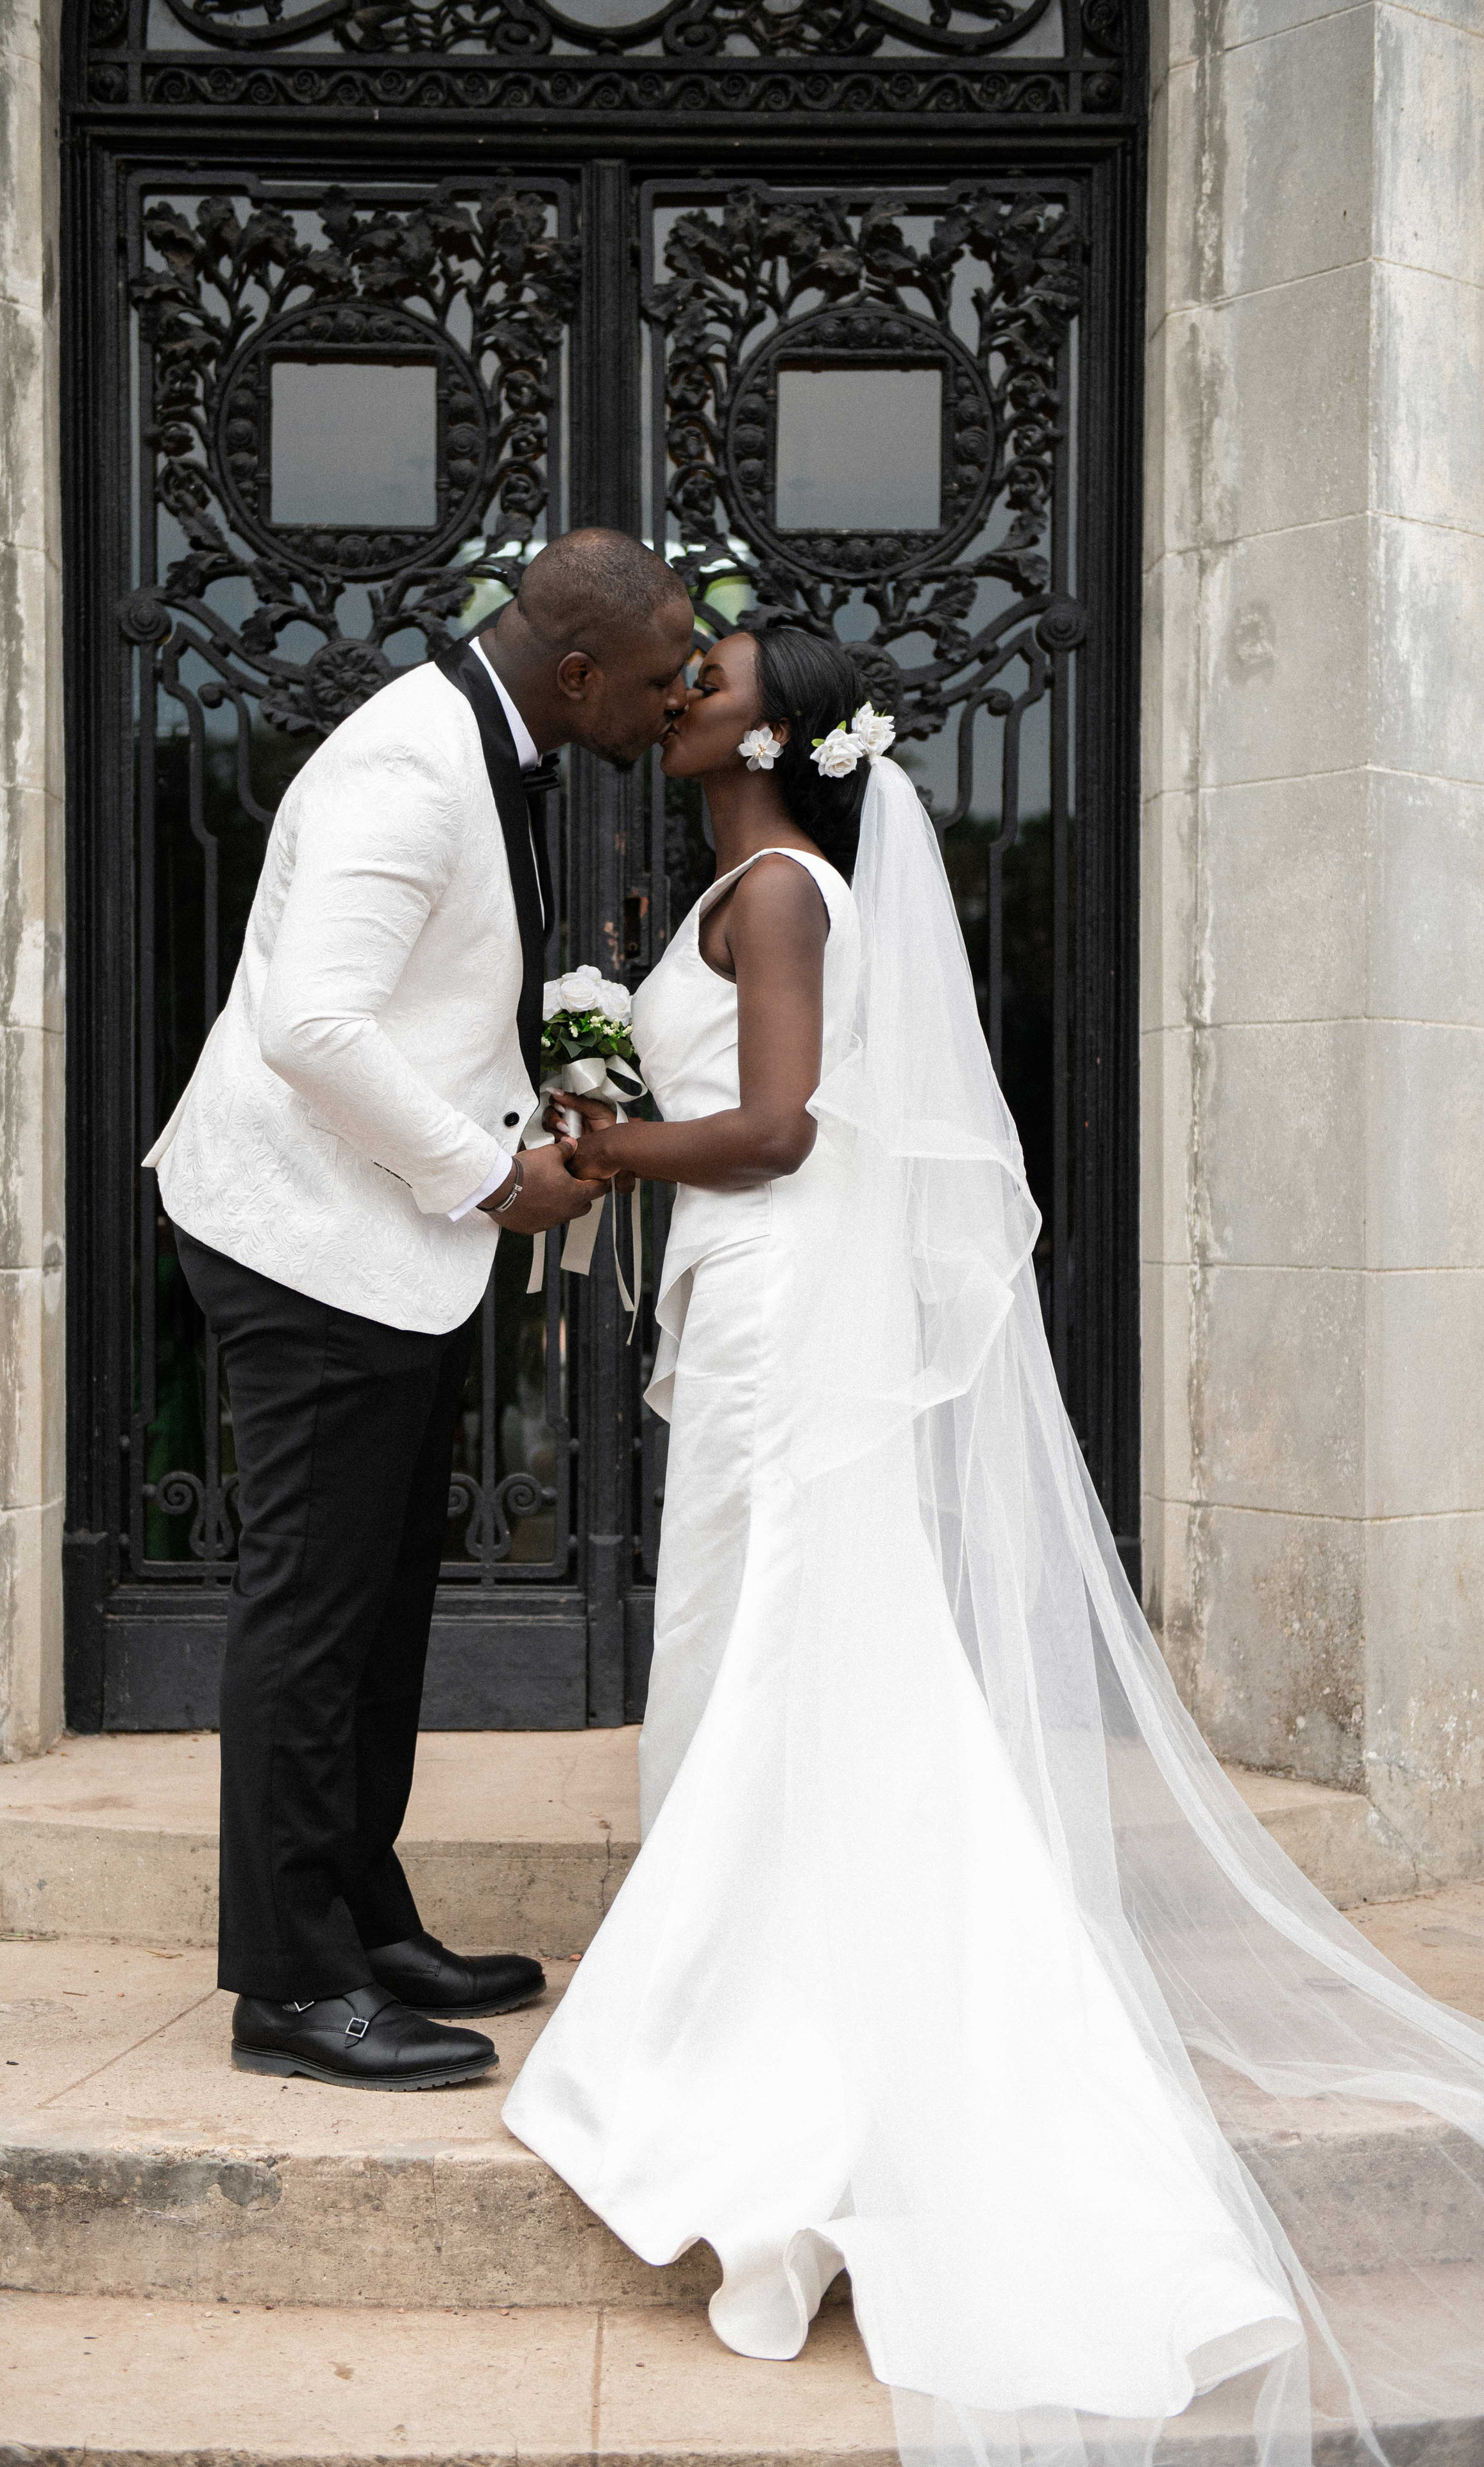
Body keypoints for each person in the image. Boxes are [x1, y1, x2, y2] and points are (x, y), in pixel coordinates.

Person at [504, 625, 1484, 2464]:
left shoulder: (778, 894)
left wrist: (611, 1156)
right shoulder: (762, 884)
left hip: (787, 1320)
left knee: (769, 1645)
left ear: (774, 728)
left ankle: (747, 2045)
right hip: (764, 1317)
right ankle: (766, 1979)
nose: (679, 693)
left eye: (708, 674)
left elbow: (787, 1131)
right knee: (775, 1655)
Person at [144, 528, 695, 2091]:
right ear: (575, 672)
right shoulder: (408, 768)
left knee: (377, 1610)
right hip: (308, 1240)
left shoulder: (485, 736)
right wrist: (486, 1173)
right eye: (656, 682)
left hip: (375, 1238)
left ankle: (361, 1915)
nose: (673, 705)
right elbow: (310, 1022)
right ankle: (290, 1987)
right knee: (310, 1617)